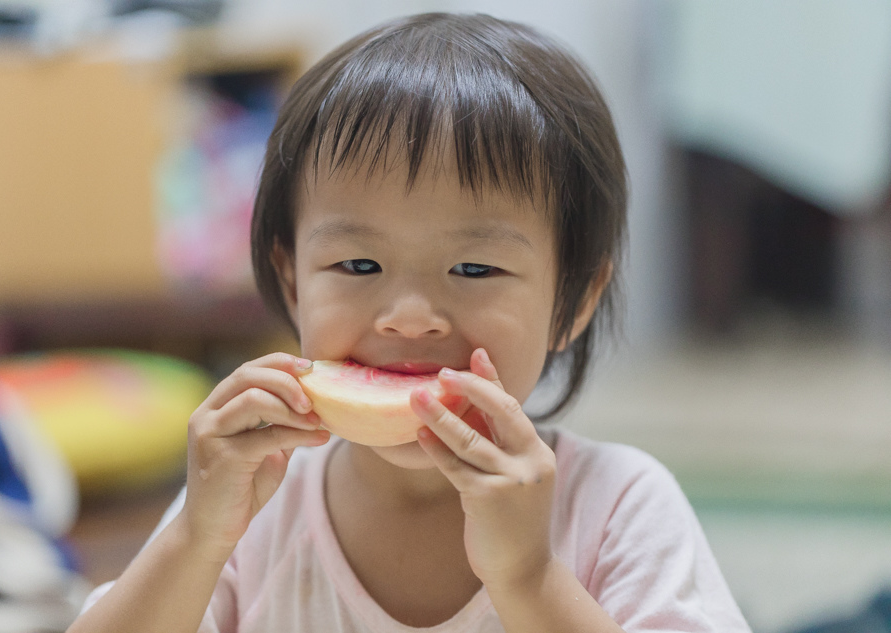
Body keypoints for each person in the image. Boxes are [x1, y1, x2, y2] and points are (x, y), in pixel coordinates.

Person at [68, 13, 751, 633]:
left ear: (573, 300)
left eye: (475, 269)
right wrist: (195, 538)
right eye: (360, 264)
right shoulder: (252, 506)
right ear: (291, 281)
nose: (410, 318)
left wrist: (529, 578)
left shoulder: (619, 506)